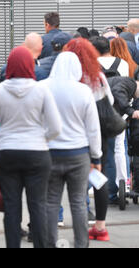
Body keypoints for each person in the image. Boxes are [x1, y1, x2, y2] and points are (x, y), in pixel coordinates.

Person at [0, 46, 62, 248]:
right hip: (37, 155)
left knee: (11, 208)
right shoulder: (42, 90)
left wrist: (0, 140)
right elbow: (56, 127)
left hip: (8, 154)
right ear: (31, 65)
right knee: (38, 206)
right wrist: (42, 139)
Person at [41, 52, 102, 248]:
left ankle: (49, 243)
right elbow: (93, 128)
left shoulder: (42, 88)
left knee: (50, 202)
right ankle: (81, 244)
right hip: (78, 154)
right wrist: (96, 157)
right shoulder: (83, 91)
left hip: (49, 153)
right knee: (78, 203)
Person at [64, 37, 114, 242]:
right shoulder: (97, 76)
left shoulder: (66, 78)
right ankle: (100, 227)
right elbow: (110, 102)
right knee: (98, 177)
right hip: (98, 133)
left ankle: (81, 218)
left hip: (74, 134)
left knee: (75, 179)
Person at [91, 36, 130, 205]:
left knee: (100, 153)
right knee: (119, 150)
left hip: (99, 113)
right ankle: (120, 186)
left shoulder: (92, 65)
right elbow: (127, 86)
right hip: (119, 113)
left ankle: (99, 188)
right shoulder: (123, 63)